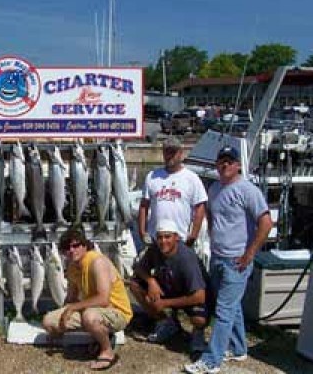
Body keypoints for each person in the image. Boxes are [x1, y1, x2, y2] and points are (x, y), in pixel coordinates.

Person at [184, 146, 273, 374]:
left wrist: (249, 254)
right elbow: (212, 217)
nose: (224, 165)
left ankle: (211, 360)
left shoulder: (248, 190)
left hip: (237, 261)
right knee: (231, 307)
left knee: (223, 310)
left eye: (229, 161)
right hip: (218, 257)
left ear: (238, 165)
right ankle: (239, 348)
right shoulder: (214, 188)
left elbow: (266, 223)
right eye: (221, 161)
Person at [42, 229, 133, 371]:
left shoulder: (97, 262)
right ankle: (100, 334)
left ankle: (107, 351)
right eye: (67, 248)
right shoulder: (72, 267)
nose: (71, 250)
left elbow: (103, 299)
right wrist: (61, 319)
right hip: (91, 310)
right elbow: (71, 297)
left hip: (116, 311)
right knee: (48, 321)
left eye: (76, 245)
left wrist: (72, 308)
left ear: (85, 245)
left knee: (89, 316)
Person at [129, 219, 212, 358]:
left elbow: (200, 296)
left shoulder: (186, 258)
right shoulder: (155, 249)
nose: (163, 241)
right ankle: (166, 322)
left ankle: (198, 334)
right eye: (160, 237)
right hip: (170, 287)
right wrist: (151, 281)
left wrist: (165, 303)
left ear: (176, 238)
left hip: (191, 295)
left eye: (167, 237)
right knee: (135, 284)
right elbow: (139, 268)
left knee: (199, 320)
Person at [139, 135, 207, 247]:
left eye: (173, 152)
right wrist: (142, 232)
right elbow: (144, 205)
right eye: (167, 152)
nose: (170, 156)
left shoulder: (192, 178)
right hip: (156, 239)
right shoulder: (152, 176)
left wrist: (193, 235)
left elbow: (200, 207)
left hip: (180, 239)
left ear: (181, 153)